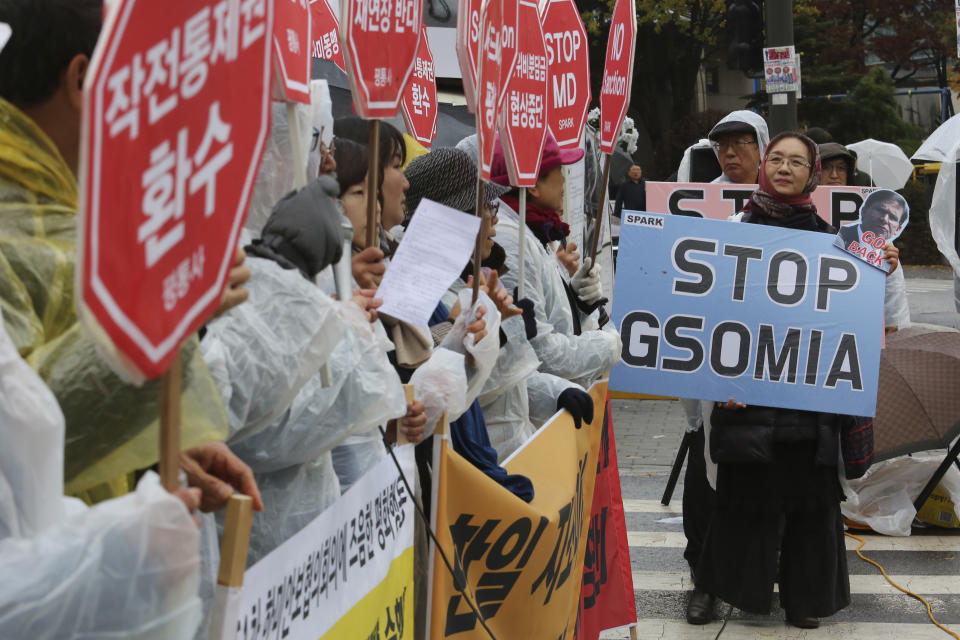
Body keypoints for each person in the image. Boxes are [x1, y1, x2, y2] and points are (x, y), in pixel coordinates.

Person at [0, 0, 258, 508]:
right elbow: (15, 442)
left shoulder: (61, 208)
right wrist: (161, 310)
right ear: (82, 80)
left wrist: (149, 454)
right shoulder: (18, 221)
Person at [695, 132, 898, 629]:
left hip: (812, 400)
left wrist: (884, 272)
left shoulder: (838, 242)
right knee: (746, 491)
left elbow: (876, 323)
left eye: (797, 162)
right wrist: (720, 382)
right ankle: (723, 586)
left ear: (812, 173)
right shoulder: (730, 233)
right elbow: (705, 315)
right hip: (746, 395)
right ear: (766, 166)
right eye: (777, 160)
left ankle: (805, 595)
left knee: (810, 497)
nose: (785, 168)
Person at [404, 147, 593, 462]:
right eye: (486, 207)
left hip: (505, 453)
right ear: (453, 219)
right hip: (461, 470)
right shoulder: (423, 295)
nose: (494, 222)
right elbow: (445, 393)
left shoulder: (476, 279)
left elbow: (506, 384)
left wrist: (553, 393)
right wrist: (483, 332)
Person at [682, 109, 769, 625]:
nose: (730, 154)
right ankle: (706, 580)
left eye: (740, 143)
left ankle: (763, 577)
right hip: (714, 372)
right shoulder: (698, 206)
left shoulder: (793, 208)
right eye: (722, 146)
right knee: (706, 480)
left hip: (774, 374)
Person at [707, 110, 770, 184]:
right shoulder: (711, 194)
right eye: (722, 144)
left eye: (738, 143)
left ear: (762, 149)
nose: (729, 153)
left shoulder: (779, 191)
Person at [837, 189, 909, 247]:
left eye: (892, 217)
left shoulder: (888, 258)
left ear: (898, 229)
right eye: (881, 210)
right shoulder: (839, 238)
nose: (885, 219)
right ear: (864, 211)